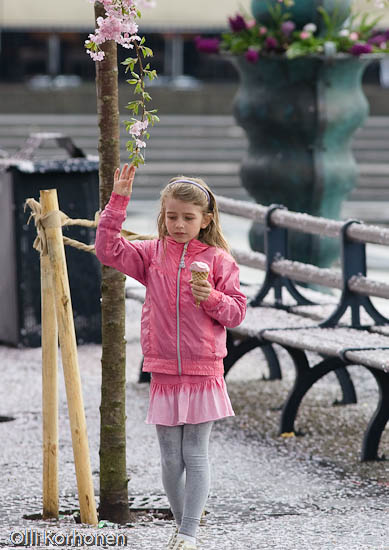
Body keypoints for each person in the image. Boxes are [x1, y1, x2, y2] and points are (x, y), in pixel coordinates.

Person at [95, 164, 247, 550]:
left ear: (205, 219)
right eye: (172, 216)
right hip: (163, 368)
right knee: (169, 460)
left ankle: (188, 533)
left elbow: (236, 312)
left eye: (188, 218)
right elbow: (107, 249)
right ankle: (183, 530)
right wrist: (118, 200)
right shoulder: (151, 254)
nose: (179, 224)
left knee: (195, 454)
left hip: (203, 369)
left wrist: (209, 297)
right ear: (162, 216)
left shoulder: (218, 260)